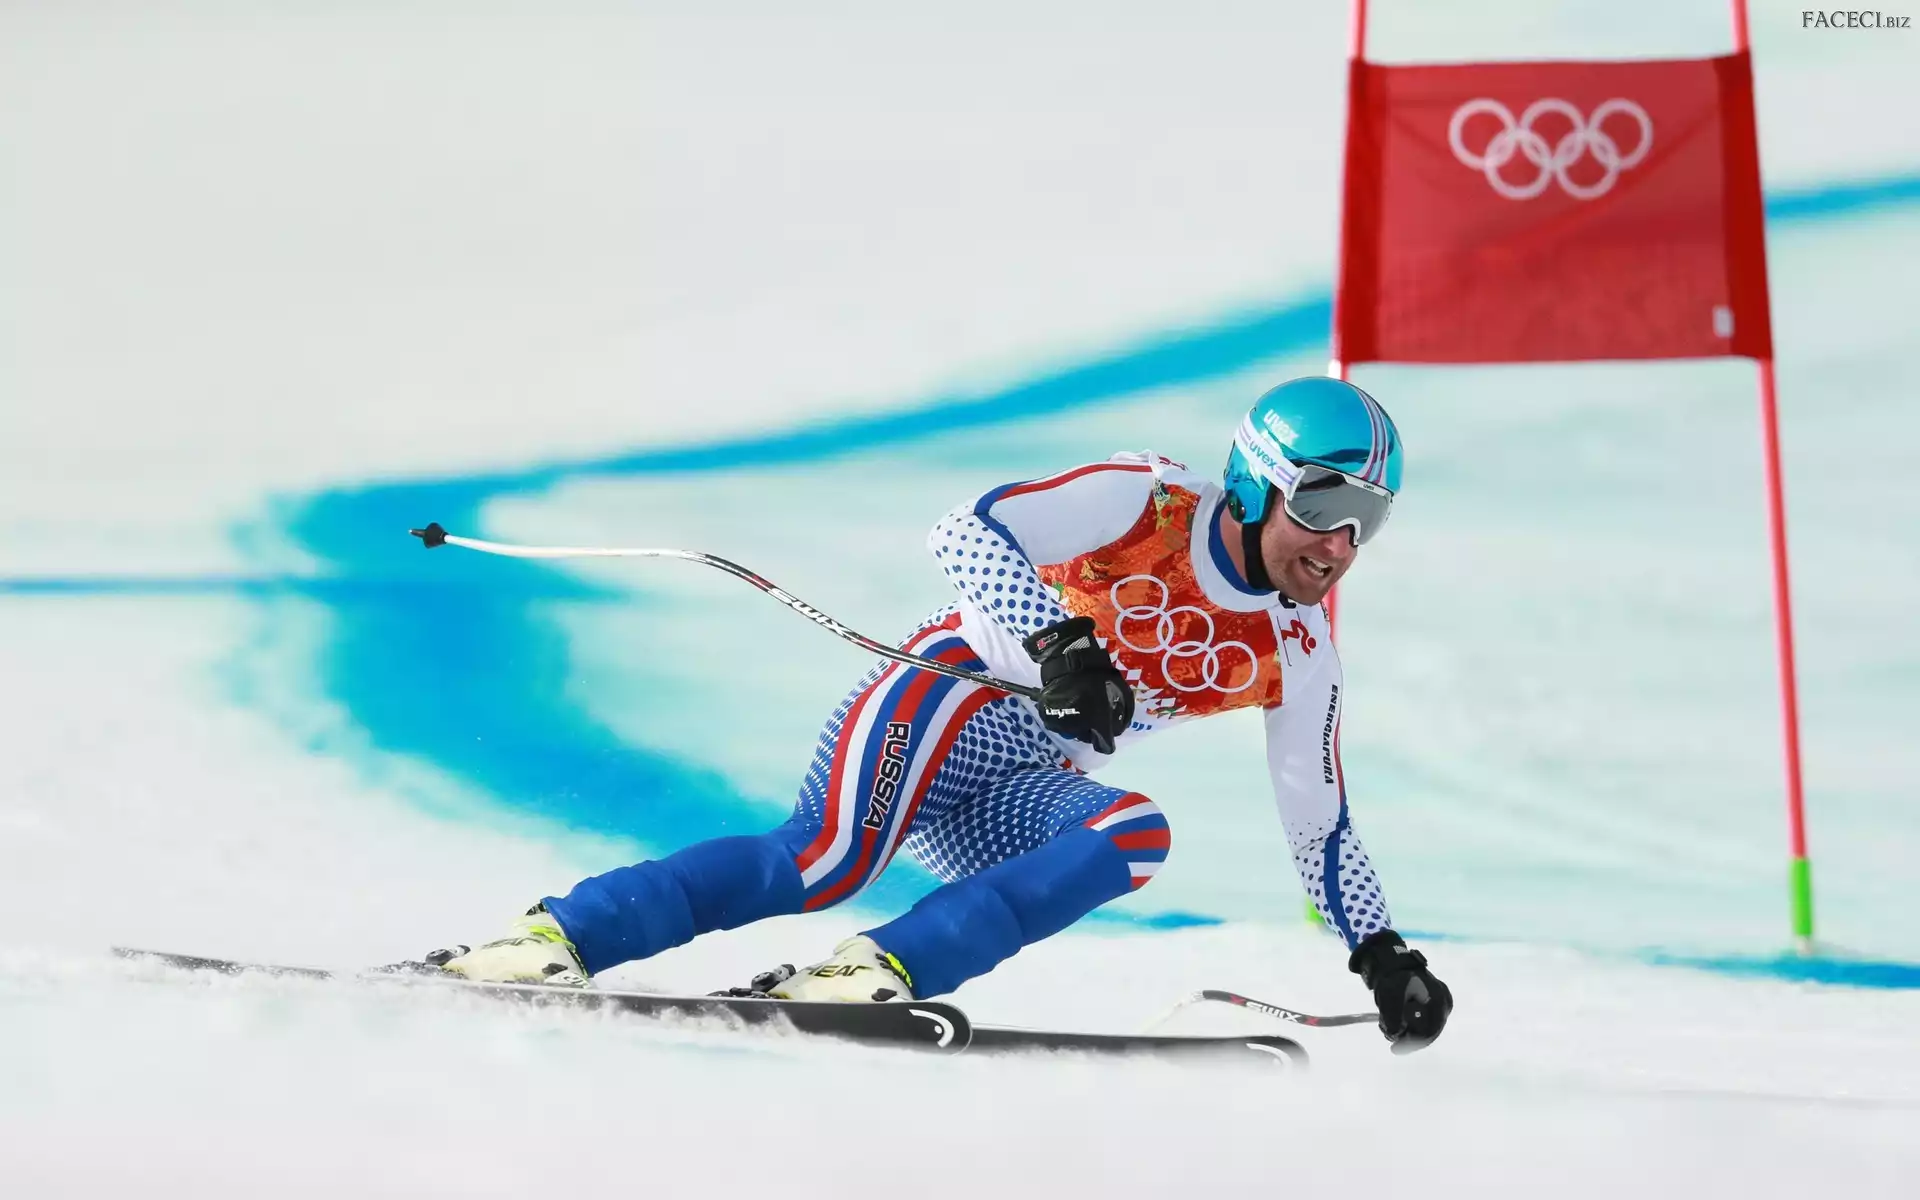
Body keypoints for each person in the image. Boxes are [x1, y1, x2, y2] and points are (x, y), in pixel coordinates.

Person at [429, 376, 1453, 1052]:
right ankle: (553, 939)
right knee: (826, 858)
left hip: (1027, 780)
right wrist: (1059, 643)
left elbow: (1319, 825)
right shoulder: (1149, 502)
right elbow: (965, 531)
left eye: (1367, 521)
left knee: (1135, 833)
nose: (1339, 545)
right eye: (1323, 507)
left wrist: (1383, 954)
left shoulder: (1299, 652)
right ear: (1257, 483)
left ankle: (875, 973)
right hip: (949, 695)